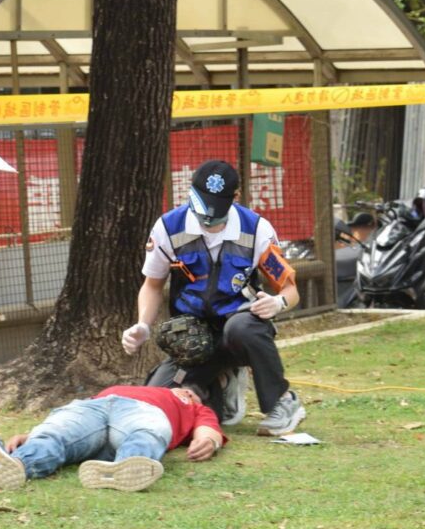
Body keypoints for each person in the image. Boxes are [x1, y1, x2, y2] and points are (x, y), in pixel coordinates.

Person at [121, 159, 306, 437]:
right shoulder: (168, 228)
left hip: (239, 326)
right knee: (163, 402)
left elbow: (291, 290)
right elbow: (153, 284)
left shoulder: (257, 230)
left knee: (241, 328)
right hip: (195, 338)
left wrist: (278, 303)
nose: (208, 218)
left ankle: (282, 401)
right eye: (202, 208)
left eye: (216, 210)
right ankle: (220, 385)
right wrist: (142, 325)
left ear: (235, 198)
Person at [0, 386, 224, 493]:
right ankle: (17, 464)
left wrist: (209, 442)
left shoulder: (193, 406)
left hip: (142, 414)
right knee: (56, 434)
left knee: (147, 434)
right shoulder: (151, 388)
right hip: (96, 405)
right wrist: (30, 435)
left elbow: (209, 431)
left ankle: (128, 467)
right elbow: (74, 424)